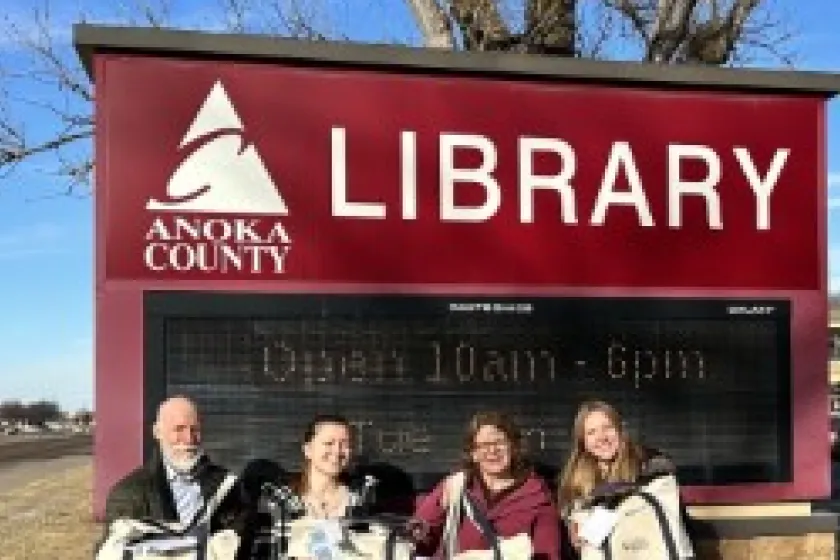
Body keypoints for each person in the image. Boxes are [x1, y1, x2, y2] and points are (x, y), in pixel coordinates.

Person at [100, 396, 254, 558]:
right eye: (179, 429)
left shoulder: (226, 485)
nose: (189, 439)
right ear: (157, 432)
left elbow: (243, 534)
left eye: (194, 430)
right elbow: (109, 549)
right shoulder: (129, 492)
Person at [412, 411, 562, 560]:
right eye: (483, 445)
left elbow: (548, 554)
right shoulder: (455, 486)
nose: (492, 450)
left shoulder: (539, 498)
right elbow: (419, 541)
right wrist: (439, 507)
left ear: (514, 447)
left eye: (499, 443)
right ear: (473, 454)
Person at [557, 400, 677, 554]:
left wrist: (593, 524)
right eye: (591, 432)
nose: (601, 437)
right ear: (583, 442)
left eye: (607, 427)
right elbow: (579, 542)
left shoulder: (650, 468)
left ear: (620, 430)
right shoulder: (575, 482)